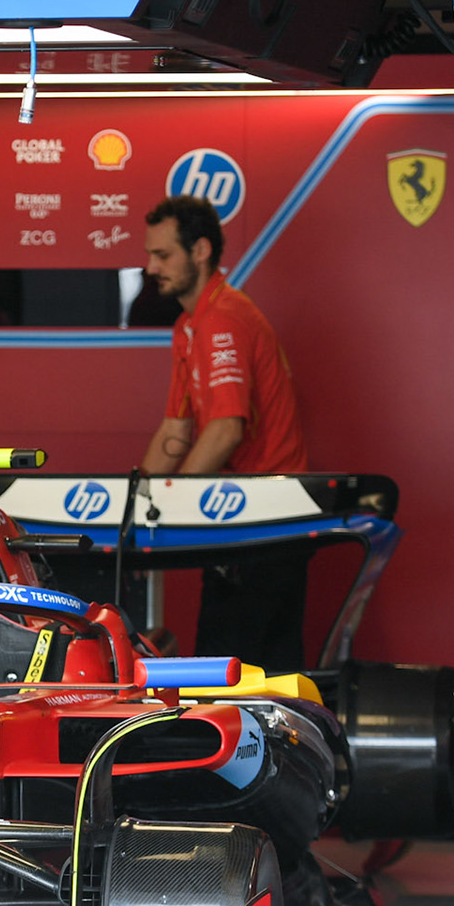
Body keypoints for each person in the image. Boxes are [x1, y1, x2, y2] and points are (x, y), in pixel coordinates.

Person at [139, 194, 310, 671]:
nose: (151, 267)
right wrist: (131, 505)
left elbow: (225, 431)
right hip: (242, 519)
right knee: (237, 663)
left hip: (266, 521)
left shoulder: (222, 320)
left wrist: (169, 503)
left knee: (241, 672)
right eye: (150, 255)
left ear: (200, 251)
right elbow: (176, 431)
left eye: (163, 255)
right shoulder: (190, 325)